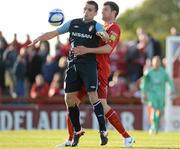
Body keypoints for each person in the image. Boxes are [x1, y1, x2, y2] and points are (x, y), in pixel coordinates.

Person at [29, 0, 109, 147]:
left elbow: (105, 36)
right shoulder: (73, 23)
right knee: (69, 99)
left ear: (95, 13)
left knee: (93, 96)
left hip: (89, 65)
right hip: (72, 65)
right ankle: (78, 131)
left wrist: (103, 35)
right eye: (85, 9)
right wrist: (40, 38)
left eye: (90, 10)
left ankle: (103, 129)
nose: (87, 11)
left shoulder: (96, 25)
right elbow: (54, 33)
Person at [59, 1, 135, 148]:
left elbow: (107, 49)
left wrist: (86, 50)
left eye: (105, 10)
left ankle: (127, 137)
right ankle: (70, 138)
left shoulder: (114, 28)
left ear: (113, 13)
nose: (102, 12)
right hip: (86, 68)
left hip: (99, 70)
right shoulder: (100, 27)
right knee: (71, 100)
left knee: (102, 105)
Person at [140, 56, 175, 134]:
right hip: (152, 94)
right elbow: (144, 83)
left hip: (161, 95)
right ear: (152, 63)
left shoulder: (163, 72)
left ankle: (155, 126)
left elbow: (170, 81)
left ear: (160, 63)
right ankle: (153, 126)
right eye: (155, 62)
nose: (156, 64)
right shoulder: (149, 72)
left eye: (158, 62)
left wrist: (172, 90)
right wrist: (143, 93)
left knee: (159, 111)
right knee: (154, 109)